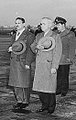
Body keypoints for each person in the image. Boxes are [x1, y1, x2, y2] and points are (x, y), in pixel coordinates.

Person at [31, 17, 62, 114]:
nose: (41, 25)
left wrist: (54, 66)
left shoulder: (55, 36)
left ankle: (51, 107)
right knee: (40, 88)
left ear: (50, 25)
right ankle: (44, 105)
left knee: (49, 87)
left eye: (43, 24)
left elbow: (57, 53)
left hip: (49, 65)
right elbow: (32, 46)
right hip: (40, 65)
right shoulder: (39, 35)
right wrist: (36, 47)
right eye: (41, 24)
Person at [8, 17, 35, 110]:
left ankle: (25, 101)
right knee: (15, 82)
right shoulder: (14, 35)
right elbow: (13, 46)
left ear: (24, 24)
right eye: (16, 23)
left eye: (19, 23)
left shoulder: (29, 35)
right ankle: (19, 100)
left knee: (24, 82)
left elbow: (31, 50)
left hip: (23, 62)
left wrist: (28, 62)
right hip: (14, 62)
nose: (17, 25)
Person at [54, 16, 76, 96]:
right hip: (57, 58)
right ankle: (58, 89)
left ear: (63, 24)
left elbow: (72, 47)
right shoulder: (56, 33)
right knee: (58, 75)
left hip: (65, 58)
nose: (57, 26)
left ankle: (64, 90)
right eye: (56, 25)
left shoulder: (70, 34)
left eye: (58, 25)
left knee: (64, 75)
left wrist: (70, 58)